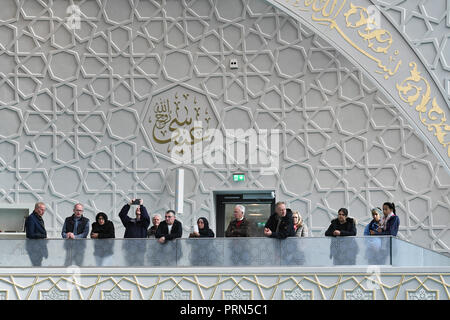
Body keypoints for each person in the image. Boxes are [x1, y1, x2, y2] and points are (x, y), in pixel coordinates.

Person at [25, 202, 48, 266]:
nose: (43, 212)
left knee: (38, 266)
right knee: (36, 267)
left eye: (44, 210)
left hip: (39, 248)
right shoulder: (31, 218)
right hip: (34, 248)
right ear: (36, 209)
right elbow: (30, 234)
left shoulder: (39, 218)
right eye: (42, 209)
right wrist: (43, 236)